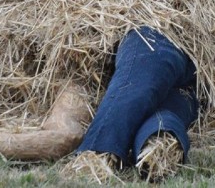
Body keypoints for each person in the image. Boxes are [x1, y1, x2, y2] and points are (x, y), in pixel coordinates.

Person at [72, 27, 199, 180]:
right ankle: (153, 142)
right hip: (176, 37)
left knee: (147, 88)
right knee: (154, 90)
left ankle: (103, 152)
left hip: (181, 44)